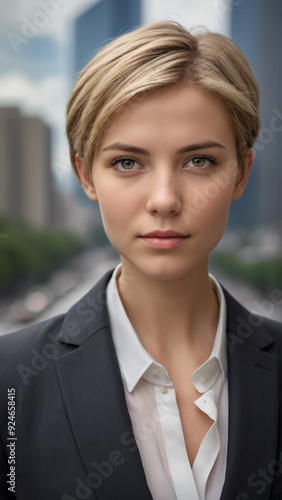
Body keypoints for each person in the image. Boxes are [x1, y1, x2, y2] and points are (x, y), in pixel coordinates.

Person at [0, 21, 281, 500]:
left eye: (200, 161)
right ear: (85, 175)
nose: (165, 200)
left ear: (241, 173)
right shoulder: (9, 380)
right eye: (127, 162)